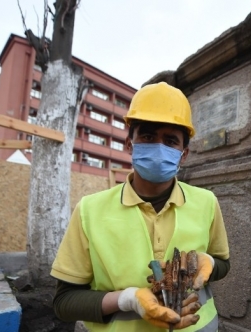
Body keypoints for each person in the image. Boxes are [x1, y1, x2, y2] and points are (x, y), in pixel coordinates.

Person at [50, 82, 231, 332]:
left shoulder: (206, 202)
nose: (159, 147)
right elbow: (64, 302)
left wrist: (208, 261)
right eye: (147, 136)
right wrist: (128, 299)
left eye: (170, 141)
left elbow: (222, 263)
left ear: (184, 154)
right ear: (129, 144)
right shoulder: (89, 211)